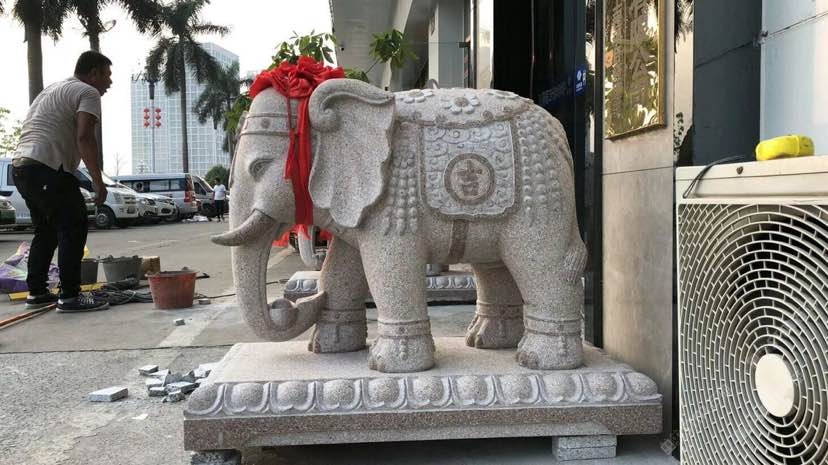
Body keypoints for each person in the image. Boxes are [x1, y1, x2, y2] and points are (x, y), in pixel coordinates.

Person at [12, 51, 112, 313]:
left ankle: (37, 292)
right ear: (93, 73)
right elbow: (84, 137)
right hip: (47, 167)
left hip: (22, 167)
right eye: (107, 75)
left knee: (46, 230)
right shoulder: (87, 92)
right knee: (73, 225)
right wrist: (98, 181)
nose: (109, 82)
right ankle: (70, 296)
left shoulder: (53, 89)